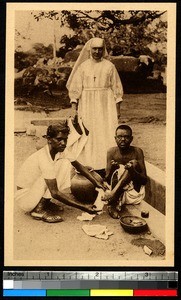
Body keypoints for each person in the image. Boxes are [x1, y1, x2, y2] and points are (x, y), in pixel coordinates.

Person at [15, 119, 105, 223]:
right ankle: (38, 210)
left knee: (65, 163)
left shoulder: (60, 150)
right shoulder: (44, 158)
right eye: (59, 139)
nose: (63, 143)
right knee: (55, 168)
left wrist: (96, 183)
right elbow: (55, 193)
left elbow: (79, 166)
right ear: (49, 139)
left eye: (65, 139)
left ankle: (44, 202)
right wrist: (84, 207)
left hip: (34, 192)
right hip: (25, 199)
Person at [66, 37, 124, 176]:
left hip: (106, 104)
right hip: (87, 103)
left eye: (100, 49)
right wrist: (74, 109)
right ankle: (88, 163)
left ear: (103, 49)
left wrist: (117, 111)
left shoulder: (109, 66)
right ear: (89, 49)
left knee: (105, 130)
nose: (97, 51)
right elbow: (75, 90)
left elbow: (117, 89)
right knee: (89, 130)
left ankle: (106, 164)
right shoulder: (83, 66)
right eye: (94, 49)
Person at [104, 124, 147, 219]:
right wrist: (113, 169)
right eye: (119, 137)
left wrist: (132, 171)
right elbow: (107, 179)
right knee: (120, 170)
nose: (123, 139)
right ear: (115, 138)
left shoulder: (137, 151)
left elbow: (144, 180)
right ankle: (113, 200)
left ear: (131, 139)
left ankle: (112, 200)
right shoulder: (111, 152)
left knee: (133, 163)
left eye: (126, 137)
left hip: (133, 194)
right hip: (118, 195)